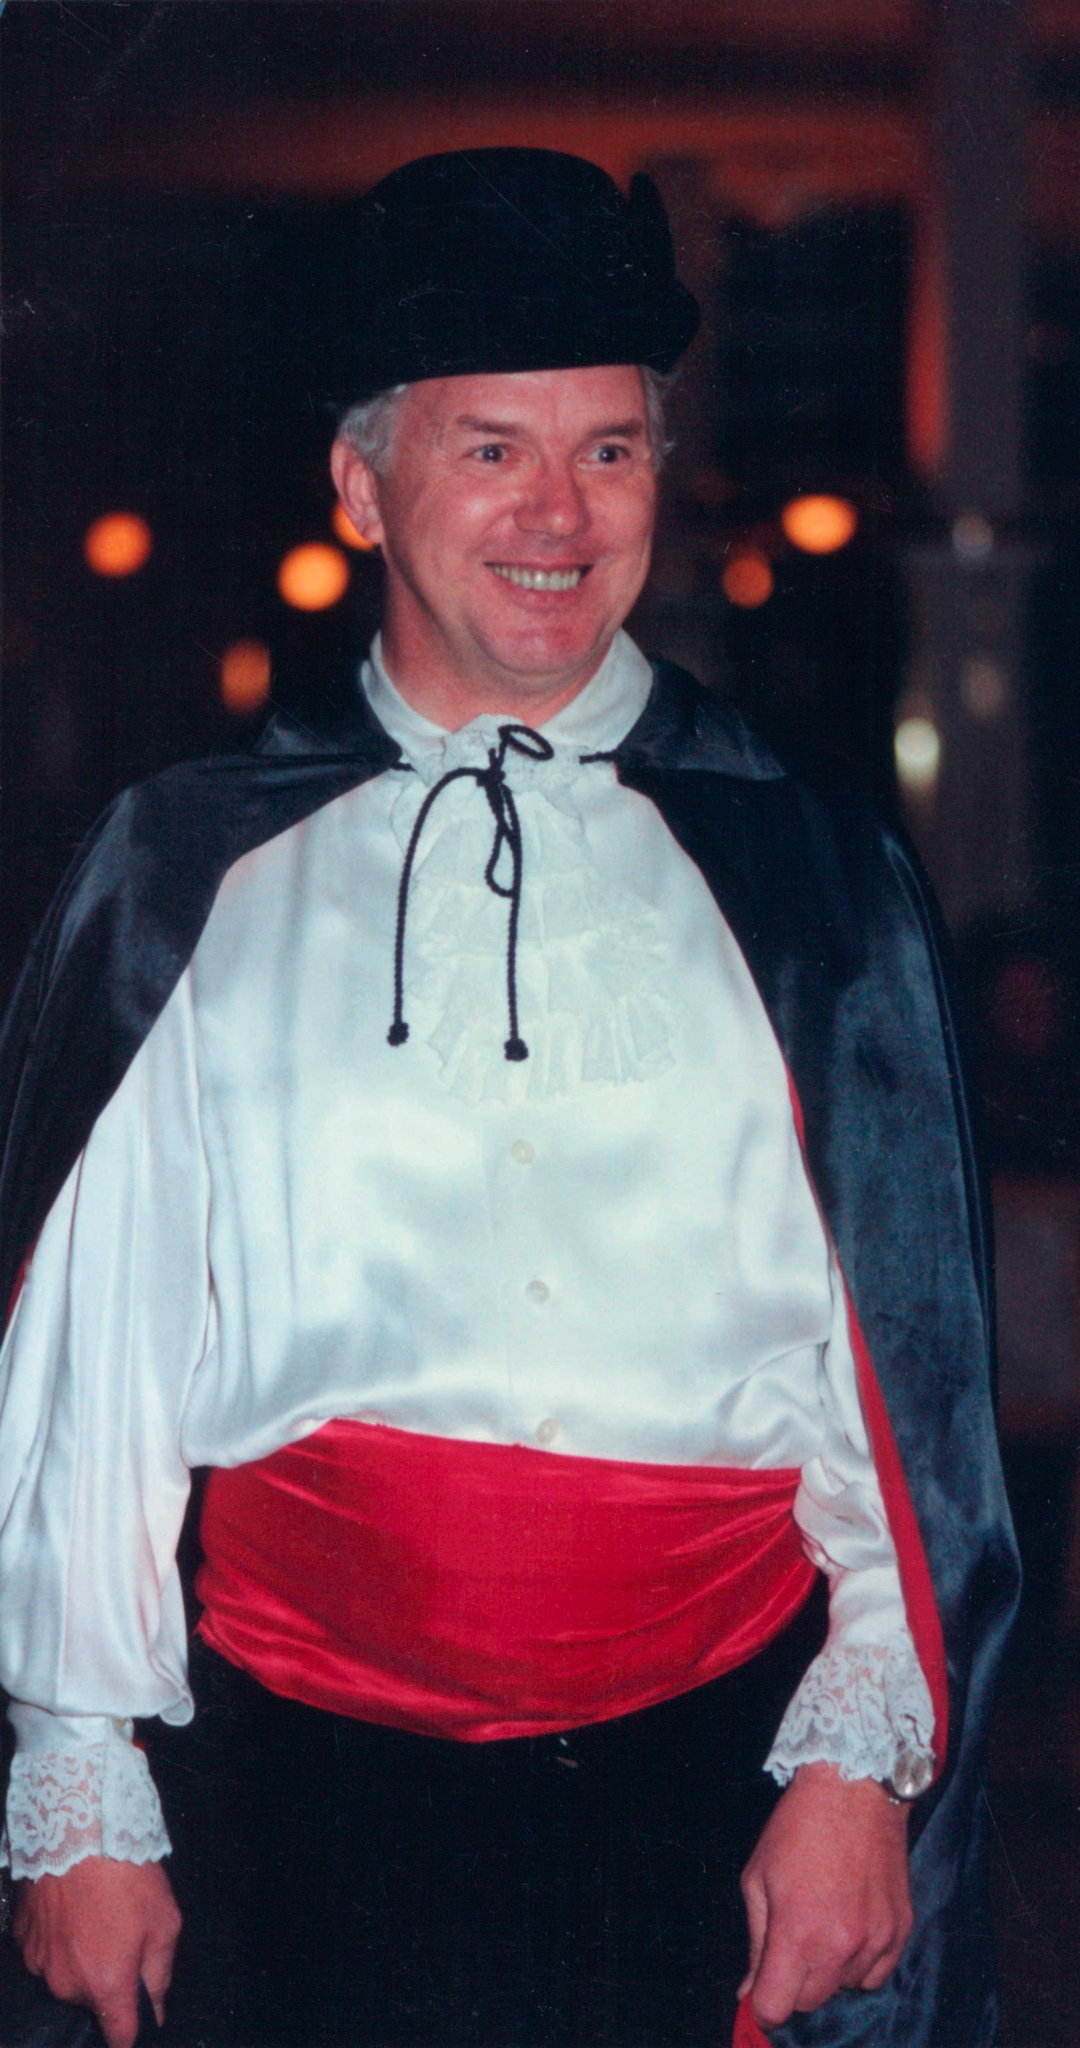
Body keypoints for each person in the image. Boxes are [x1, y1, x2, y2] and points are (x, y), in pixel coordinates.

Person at [0, 150, 1018, 2048]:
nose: (559, 511)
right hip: (290, 1797)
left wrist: (858, 1766)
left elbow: (895, 1381)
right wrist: (80, 1768)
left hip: (718, 1778)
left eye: (609, 449)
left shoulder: (808, 869)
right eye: (492, 449)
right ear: (361, 486)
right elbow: (100, 1361)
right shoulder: (188, 869)